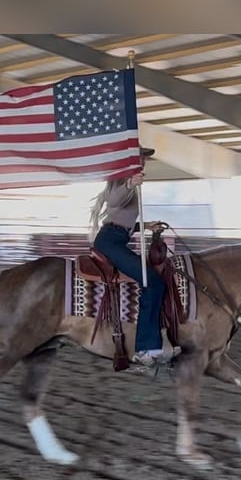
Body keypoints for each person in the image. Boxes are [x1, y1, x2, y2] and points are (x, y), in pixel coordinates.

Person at [88, 146, 180, 366]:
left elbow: (121, 220)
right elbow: (113, 200)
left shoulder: (129, 181)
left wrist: (146, 226)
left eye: (144, 158)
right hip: (110, 240)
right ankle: (144, 347)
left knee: (152, 280)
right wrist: (130, 183)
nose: (143, 161)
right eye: (139, 157)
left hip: (116, 237)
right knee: (154, 283)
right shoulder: (119, 178)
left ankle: (153, 342)